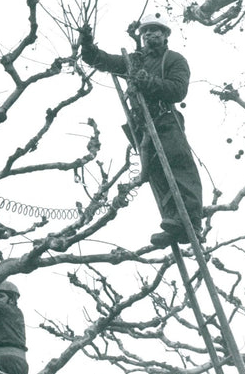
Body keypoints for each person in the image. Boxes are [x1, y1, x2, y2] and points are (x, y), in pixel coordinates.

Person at [79, 13, 204, 248]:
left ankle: (191, 221)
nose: (148, 34)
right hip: (142, 126)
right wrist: (87, 45)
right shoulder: (134, 61)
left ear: (165, 34)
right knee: (157, 174)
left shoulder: (174, 59)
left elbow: (178, 91)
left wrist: (148, 81)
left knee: (179, 168)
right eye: (145, 31)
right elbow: (103, 60)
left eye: (154, 30)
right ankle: (172, 222)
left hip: (165, 121)